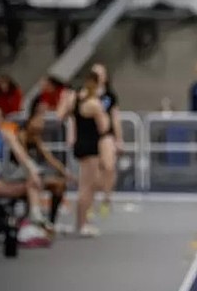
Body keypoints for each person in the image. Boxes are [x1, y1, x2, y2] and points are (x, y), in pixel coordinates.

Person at [58, 71, 109, 237]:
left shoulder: (75, 99)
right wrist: (101, 112)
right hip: (90, 146)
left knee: (85, 185)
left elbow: (61, 115)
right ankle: (82, 224)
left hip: (79, 143)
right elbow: (103, 127)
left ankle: (81, 222)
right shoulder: (94, 103)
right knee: (87, 186)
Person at [14, 98, 73, 225]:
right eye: (38, 121)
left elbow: (50, 158)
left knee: (60, 185)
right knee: (34, 182)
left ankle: (51, 221)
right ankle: (33, 216)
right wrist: (33, 171)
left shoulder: (36, 139)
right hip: (20, 173)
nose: (41, 126)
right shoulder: (21, 135)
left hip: (35, 173)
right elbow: (23, 158)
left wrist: (65, 172)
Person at [91, 63, 122, 217]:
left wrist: (119, 138)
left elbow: (115, 116)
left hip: (106, 134)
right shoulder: (86, 94)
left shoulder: (110, 95)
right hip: (90, 134)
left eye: (101, 73)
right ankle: (90, 200)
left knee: (109, 166)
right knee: (93, 170)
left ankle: (106, 199)